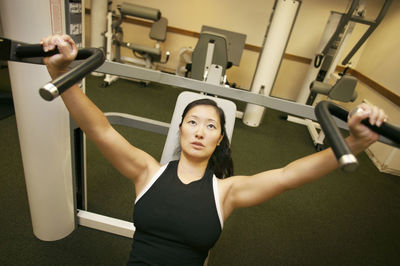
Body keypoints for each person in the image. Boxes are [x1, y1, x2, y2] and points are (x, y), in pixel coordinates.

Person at [41, 35, 388, 265]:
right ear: (179, 129)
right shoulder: (146, 171)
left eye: (211, 126)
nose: (200, 131)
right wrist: (61, 73)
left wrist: (354, 143)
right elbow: (99, 128)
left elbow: (288, 176)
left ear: (220, 139)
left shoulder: (226, 192)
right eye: (192, 122)